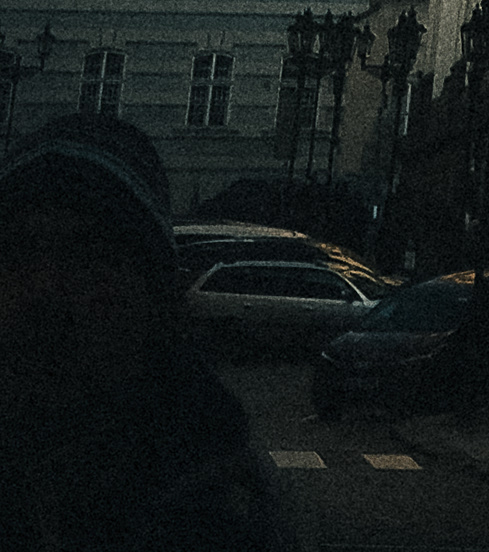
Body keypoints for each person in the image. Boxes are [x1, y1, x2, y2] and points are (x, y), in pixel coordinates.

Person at [0, 127, 291, 552]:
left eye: (87, 255)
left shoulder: (220, 513)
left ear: (151, 290)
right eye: (18, 251)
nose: (45, 285)